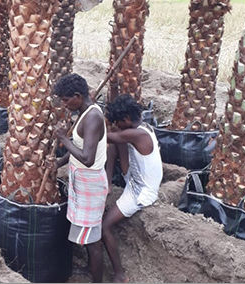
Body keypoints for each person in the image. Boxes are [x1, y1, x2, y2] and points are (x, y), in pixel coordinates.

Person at [53, 73, 108, 283]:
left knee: (93, 240)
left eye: (66, 100)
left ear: (77, 96)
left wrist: (63, 139)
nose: (64, 104)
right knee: (88, 235)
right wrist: (58, 163)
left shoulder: (93, 117)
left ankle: (97, 280)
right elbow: (78, 148)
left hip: (90, 184)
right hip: (82, 181)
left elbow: (87, 157)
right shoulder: (84, 111)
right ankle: (88, 269)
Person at [102, 94, 163, 283]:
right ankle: (108, 182)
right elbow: (114, 138)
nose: (117, 125)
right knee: (115, 142)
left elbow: (104, 137)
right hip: (134, 179)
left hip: (142, 191)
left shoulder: (138, 134)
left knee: (104, 226)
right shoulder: (140, 127)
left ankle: (119, 274)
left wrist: (93, 122)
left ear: (126, 119)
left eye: (118, 122)